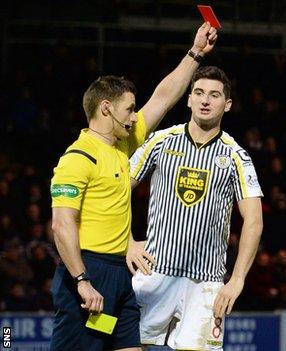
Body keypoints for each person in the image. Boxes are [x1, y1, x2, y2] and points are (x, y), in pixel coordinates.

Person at [49, 23, 218, 351]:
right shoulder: (77, 158)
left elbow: (164, 97)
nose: (133, 118)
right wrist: (82, 281)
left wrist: (195, 53)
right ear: (106, 108)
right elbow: (61, 223)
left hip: (119, 276)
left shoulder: (120, 146)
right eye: (128, 110)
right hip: (87, 274)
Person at [126, 65, 263, 350]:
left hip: (206, 283)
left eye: (214, 95)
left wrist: (236, 280)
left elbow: (254, 220)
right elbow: (115, 191)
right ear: (188, 99)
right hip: (155, 271)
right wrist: (127, 241)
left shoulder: (236, 156)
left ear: (227, 105)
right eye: (199, 92)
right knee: (128, 347)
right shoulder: (161, 141)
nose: (205, 100)